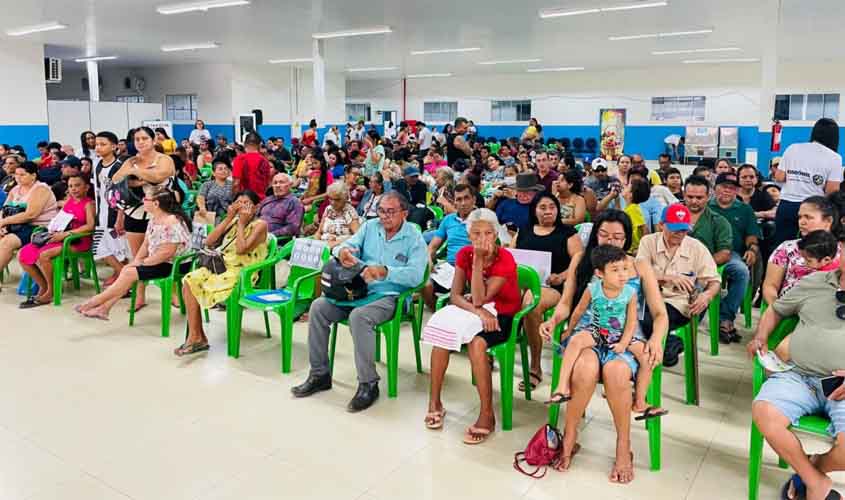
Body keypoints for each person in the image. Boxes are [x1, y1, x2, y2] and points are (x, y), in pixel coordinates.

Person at [539, 210, 669, 482]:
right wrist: (554, 320)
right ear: (595, 233)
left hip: (626, 337)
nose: (610, 241)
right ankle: (570, 435)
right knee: (585, 368)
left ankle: (624, 446)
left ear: (627, 238)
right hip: (589, 332)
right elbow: (567, 302)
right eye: (604, 235)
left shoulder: (639, 266)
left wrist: (656, 338)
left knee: (616, 372)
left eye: (618, 237)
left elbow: (660, 313)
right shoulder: (583, 261)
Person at [291, 191, 427, 412]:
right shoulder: (371, 227)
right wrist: (344, 251)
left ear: (404, 213)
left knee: (360, 317)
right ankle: (320, 374)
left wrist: (386, 272)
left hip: (388, 296)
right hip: (357, 291)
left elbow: (417, 275)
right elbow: (342, 247)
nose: (384, 216)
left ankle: (368, 383)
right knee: (318, 307)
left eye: (391, 212)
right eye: (381, 211)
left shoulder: (413, 237)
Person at [748, 263, 845, 500]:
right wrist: (761, 336)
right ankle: (815, 482)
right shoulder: (816, 282)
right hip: (800, 376)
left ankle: (812, 467)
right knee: (764, 412)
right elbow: (777, 309)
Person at [424, 208, 520, 443]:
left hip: (504, 314)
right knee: (442, 337)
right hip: (477, 311)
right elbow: (456, 295)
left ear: (497, 234)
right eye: (476, 234)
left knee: (478, 345)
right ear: (469, 236)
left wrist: (477, 265)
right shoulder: (464, 254)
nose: (482, 239)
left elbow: (480, 297)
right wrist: (478, 310)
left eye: (488, 233)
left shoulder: (505, 258)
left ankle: (487, 414)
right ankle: (434, 401)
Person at [545, 244, 664, 421]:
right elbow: (578, 311)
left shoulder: (630, 292)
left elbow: (632, 322)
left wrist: (624, 343)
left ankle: (639, 401)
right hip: (597, 331)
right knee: (575, 341)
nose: (623, 274)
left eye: (625, 268)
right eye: (616, 270)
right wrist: (569, 330)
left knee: (647, 357)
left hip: (622, 334)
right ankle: (562, 387)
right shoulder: (593, 289)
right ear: (600, 273)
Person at [75, 187, 191, 320]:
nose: (143, 201)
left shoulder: (171, 222)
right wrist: (138, 260)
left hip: (174, 265)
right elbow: (146, 244)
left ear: (156, 203)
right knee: (127, 270)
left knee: (128, 272)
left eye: (146, 199)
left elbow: (166, 253)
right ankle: (103, 308)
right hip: (159, 261)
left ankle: (94, 302)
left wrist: (143, 262)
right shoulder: (154, 219)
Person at [177, 190, 269, 356]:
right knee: (189, 280)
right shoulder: (233, 220)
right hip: (222, 266)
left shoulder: (260, 225)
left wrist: (241, 223)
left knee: (197, 283)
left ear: (255, 207)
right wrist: (229, 218)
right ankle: (197, 336)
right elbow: (209, 241)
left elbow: (241, 249)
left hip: (242, 273)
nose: (241, 206)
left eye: (246, 203)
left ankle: (196, 338)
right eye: (238, 202)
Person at [512, 192, 583, 391]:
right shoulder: (524, 230)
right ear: (534, 210)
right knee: (500, 297)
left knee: (529, 302)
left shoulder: (567, 233)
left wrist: (561, 276)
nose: (548, 212)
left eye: (552, 207)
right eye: (542, 208)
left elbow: (579, 261)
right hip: (521, 284)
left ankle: (535, 366)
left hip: (553, 286)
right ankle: (493, 348)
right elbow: (511, 255)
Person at [636, 204, 722, 356]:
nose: (680, 233)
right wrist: (667, 278)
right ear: (661, 225)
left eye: (683, 229)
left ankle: (666, 346)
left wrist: (706, 296)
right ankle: (671, 345)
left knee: (647, 322)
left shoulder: (696, 247)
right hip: (648, 298)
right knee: (631, 317)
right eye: (675, 228)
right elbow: (639, 272)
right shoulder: (648, 242)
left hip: (678, 303)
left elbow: (714, 281)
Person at [110, 126, 177, 312]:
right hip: (134, 212)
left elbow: (160, 176)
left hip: (162, 214)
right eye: (137, 139)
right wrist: (139, 177)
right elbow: (117, 180)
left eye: (144, 138)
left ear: (153, 140)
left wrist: (136, 174)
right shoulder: (131, 160)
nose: (140, 142)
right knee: (137, 256)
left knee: (165, 255)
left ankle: (172, 293)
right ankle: (139, 296)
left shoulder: (165, 159)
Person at [17, 174, 94, 307]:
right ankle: (43, 286)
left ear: (86, 187)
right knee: (24, 253)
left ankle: (51, 291)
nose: (73, 189)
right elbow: (60, 219)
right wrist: (52, 229)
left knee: (44, 255)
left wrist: (66, 234)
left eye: (77, 185)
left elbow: (90, 226)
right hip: (60, 236)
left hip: (78, 240)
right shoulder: (69, 202)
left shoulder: (89, 204)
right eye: (70, 186)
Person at [771, 118, 842, 248]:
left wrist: (796, 178)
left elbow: (779, 177)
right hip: (813, 209)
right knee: (811, 249)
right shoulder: (834, 158)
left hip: (786, 206)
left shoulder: (793, 148)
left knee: (782, 248)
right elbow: (832, 191)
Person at [708, 172, 760, 341]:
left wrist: (752, 249)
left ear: (736, 190)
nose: (727, 191)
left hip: (732, 253)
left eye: (731, 188)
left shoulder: (744, 209)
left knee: (742, 271)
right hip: (704, 253)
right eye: (723, 187)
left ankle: (725, 316)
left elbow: (751, 234)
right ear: (715, 188)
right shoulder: (706, 206)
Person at [763, 196, 842, 305]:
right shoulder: (786, 248)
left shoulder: (842, 251)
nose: (802, 222)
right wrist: (777, 308)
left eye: (808, 217)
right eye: (800, 217)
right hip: (789, 308)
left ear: (828, 220)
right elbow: (770, 286)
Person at [0, 161, 59, 289]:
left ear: (33, 175)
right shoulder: (15, 189)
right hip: (16, 225)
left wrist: (4, 222)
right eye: (16, 175)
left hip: (37, 227)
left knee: (7, 242)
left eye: (22, 175)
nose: (18, 178)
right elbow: (4, 210)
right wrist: (2, 225)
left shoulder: (41, 189)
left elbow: (31, 214)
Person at [423, 184, 474, 310]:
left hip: (470, 269)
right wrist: (429, 260)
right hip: (449, 268)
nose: (463, 203)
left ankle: (449, 311)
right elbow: (432, 247)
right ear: (454, 202)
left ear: (474, 200)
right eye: (459, 199)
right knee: (424, 284)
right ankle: (438, 312)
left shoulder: (481, 220)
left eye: (466, 198)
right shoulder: (448, 220)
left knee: (456, 298)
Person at [91, 131, 128, 286]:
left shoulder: (119, 167)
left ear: (113, 146)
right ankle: (121, 276)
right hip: (102, 214)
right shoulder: (97, 164)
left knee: (120, 250)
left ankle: (124, 280)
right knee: (100, 248)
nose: (98, 147)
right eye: (96, 144)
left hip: (115, 216)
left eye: (103, 144)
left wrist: (120, 219)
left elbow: (123, 196)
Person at [256, 172, 303, 240]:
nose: (277, 185)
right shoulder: (267, 199)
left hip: (275, 240)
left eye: (281, 182)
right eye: (275, 183)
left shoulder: (294, 203)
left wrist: (270, 235)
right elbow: (256, 216)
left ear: (290, 185)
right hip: (256, 235)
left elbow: (292, 228)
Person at [314, 182, 360, 248]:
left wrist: (335, 243)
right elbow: (319, 232)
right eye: (330, 198)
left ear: (345, 198)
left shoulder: (349, 212)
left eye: (337, 200)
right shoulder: (328, 209)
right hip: (323, 246)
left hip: (339, 248)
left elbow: (357, 236)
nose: (333, 202)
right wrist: (317, 244)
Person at [232, 132, 272, 200]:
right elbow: (268, 183)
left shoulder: (240, 159)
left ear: (244, 144)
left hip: (245, 200)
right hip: (261, 200)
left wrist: (234, 199)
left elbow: (236, 183)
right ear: (259, 145)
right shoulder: (265, 161)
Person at [196, 157, 234, 224]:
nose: (224, 171)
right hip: (209, 216)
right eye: (220, 169)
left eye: (225, 169)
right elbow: (200, 197)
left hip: (228, 217)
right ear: (213, 173)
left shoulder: (232, 185)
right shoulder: (207, 184)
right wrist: (202, 207)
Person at [622, 178, 651, 255]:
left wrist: (642, 249)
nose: (624, 187)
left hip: (631, 251)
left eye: (628, 186)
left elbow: (644, 228)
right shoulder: (630, 207)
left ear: (631, 194)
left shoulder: (633, 209)